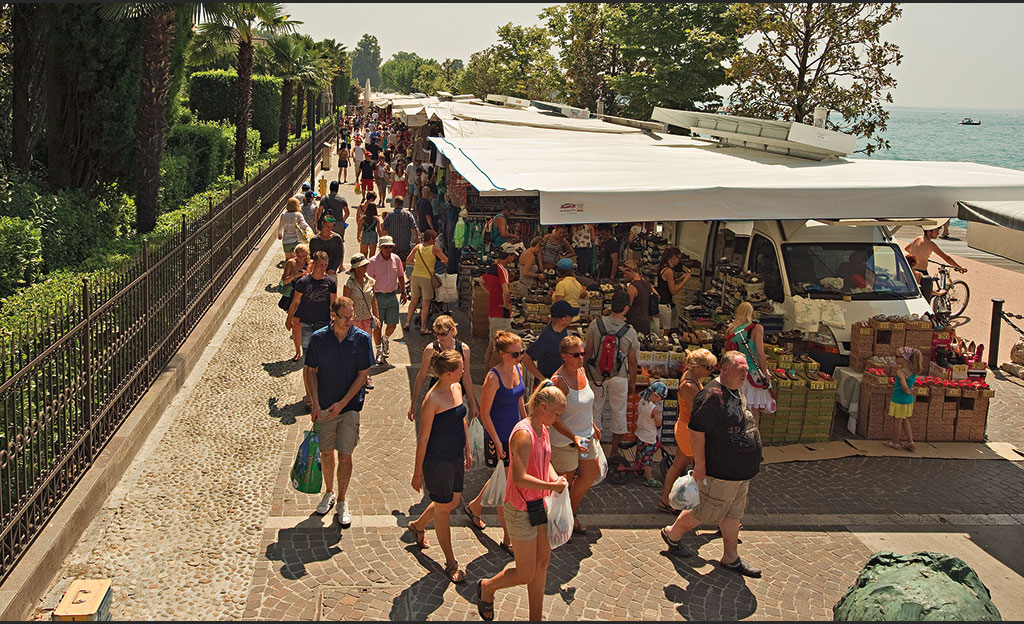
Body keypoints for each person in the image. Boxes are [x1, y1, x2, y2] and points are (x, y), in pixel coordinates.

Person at [659, 351, 763, 579]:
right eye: (740, 369)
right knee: (704, 512)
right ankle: (672, 534)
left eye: (746, 369)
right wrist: (701, 466)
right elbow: (696, 431)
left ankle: (730, 557)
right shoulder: (711, 396)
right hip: (721, 470)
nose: (745, 373)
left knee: (733, 515)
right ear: (724, 369)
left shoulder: (735, 391)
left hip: (740, 471)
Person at [476, 382, 569, 622]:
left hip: (539, 504)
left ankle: (535, 618)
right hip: (520, 509)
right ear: (543, 408)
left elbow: (545, 461)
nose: (558, 418)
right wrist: (552, 486)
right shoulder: (524, 434)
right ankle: (487, 587)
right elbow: (519, 477)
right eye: (557, 413)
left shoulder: (543, 428)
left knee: (543, 562)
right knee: (526, 572)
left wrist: (554, 477)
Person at [304, 297, 374, 529]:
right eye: (344, 317)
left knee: (345, 455)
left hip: (349, 408)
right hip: (324, 406)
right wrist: (314, 402)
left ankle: (342, 500)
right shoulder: (319, 339)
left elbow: (363, 375)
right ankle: (329, 492)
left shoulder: (361, 339)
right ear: (334, 315)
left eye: (351, 316)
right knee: (326, 454)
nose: (348, 321)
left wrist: (343, 403)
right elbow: (310, 371)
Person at [407, 349, 473, 583]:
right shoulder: (432, 400)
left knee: (452, 501)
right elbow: (423, 438)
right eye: (460, 368)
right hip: (437, 461)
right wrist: (417, 474)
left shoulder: (456, 388)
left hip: (455, 456)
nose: (464, 371)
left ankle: (418, 525)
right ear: (448, 373)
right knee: (444, 509)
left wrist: (466, 447)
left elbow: (461, 419)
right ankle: (451, 561)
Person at [462, 331, 527, 553]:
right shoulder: (493, 377)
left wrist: (527, 425)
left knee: (503, 478)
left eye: (522, 353)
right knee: (507, 485)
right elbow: (485, 413)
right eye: (516, 354)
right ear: (502, 354)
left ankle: (474, 506)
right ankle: (508, 537)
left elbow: (520, 400)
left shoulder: (519, 368)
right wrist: (498, 443)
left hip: (516, 433)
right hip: (498, 435)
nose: (520, 357)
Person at [548, 335, 600, 534]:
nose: (581, 358)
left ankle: (571, 512)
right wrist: (573, 437)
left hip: (586, 437)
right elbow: (555, 418)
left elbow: (585, 403)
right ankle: (560, 522)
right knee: (564, 483)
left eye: (583, 353)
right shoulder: (558, 381)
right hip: (565, 442)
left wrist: (593, 424)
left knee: (590, 473)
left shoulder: (582, 371)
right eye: (576, 354)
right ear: (564, 356)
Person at [659, 348, 717, 514]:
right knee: (688, 466)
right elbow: (697, 412)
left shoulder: (691, 377)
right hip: (689, 430)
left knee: (679, 465)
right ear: (698, 366)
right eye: (708, 367)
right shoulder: (689, 385)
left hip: (687, 427)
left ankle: (667, 500)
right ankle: (672, 501)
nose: (711, 371)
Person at [583, 290, 639, 457]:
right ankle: (614, 453)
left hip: (596, 375)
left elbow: (588, 351)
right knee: (619, 413)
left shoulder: (596, 324)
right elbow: (633, 361)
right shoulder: (630, 331)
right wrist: (633, 382)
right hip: (619, 377)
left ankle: (595, 451)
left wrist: (584, 371)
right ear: (626, 308)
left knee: (595, 412)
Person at [408, 315, 479, 421]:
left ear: (452, 330)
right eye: (437, 334)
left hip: (458, 395)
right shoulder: (430, 349)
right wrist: (413, 403)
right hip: (437, 394)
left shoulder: (464, 349)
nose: (440, 337)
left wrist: (473, 403)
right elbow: (422, 376)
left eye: (443, 334)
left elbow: (467, 378)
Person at [286, 250, 337, 378]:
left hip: (323, 324)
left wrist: (336, 319)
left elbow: (333, 303)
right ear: (314, 264)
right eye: (321, 265)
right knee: (308, 361)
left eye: (325, 265)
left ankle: (320, 387)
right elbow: (295, 302)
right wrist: (289, 319)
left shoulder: (330, 282)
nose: (323, 268)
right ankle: (309, 393)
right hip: (307, 323)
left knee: (322, 358)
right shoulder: (303, 282)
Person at [724, 302, 775, 425]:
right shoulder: (756, 329)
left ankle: (736, 435)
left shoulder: (730, 331)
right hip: (753, 373)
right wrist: (765, 373)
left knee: (737, 406)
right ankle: (752, 437)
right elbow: (761, 354)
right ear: (751, 313)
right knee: (753, 409)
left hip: (735, 373)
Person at [366, 236, 407, 365]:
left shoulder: (396, 259)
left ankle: (385, 339)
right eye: (385, 247)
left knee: (393, 324)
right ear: (380, 248)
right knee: (377, 326)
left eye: (390, 247)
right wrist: (370, 298)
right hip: (378, 296)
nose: (388, 249)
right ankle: (378, 351)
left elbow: (400, 275)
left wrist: (404, 292)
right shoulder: (372, 262)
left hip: (392, 295)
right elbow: (368, 280)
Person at [343, 253, 379, 389]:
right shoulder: (350, 283)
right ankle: (354, 375)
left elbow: (374, 300)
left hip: (367, 321)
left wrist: (377, 317)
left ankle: (366, 376)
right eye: (361, 266)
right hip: (354, 321)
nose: (364, 268)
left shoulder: (370, 281)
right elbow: (345, 303)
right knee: (353, 349)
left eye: (365, 265)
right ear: (355, 268)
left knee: (366, 349)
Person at [479, 244, 516, 371]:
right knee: (499, 347)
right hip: (501, 313)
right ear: (509, 256)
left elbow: (481, 281)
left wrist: (491, 293)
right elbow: (506, 290)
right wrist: (506, 305)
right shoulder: (503, 270)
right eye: (513, 256)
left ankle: (487, 372)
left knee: (491, 345)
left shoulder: (492, 268)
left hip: (493, 311)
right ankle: (492, 375)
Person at [405, 230, 449, 335]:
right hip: (426, 278)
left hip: (415, 277)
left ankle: (407, 323)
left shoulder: (417, 247)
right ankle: (423, 328)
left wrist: (417, 263)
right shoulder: (434, 249)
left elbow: (408, 260)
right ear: (431, 239)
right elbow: (446, 260)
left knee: (414, 301)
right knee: (425, 303)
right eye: (435, 239)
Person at [903, 224, 967, 297]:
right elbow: (946, 258)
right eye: (936, 230)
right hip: (922, 273)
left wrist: (919, 256)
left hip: (911, 270)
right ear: (929, 232)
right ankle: (939, 294)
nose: (938, 233)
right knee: (928, 294)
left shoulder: (917, 239)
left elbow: (907, 249)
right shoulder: (931, 244)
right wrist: (959, 267)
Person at [523, 300, 577, 384]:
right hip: (549, 384)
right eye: (570, 316)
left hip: (559, 380)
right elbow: (526, 357)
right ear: (563, 319)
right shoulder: (547, 337)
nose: (572, 318)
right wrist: (543, 380)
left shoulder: (562, 330)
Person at [885, 346, 927, 452]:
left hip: (899, 399)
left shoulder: (901, 372)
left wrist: (906, 390)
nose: (895, 358)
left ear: (905, 359)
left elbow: (904, 386)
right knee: (904, 420)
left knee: (897, 421)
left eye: (897, 356)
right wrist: (910, 392)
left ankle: (895, 442)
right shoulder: (913, 371)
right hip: (908, 400)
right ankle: (910, 441)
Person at [280, 243, 311, 361]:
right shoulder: (290, 263)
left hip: (307, 296)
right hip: (294, 296)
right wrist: (294, 276)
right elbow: (284, 281)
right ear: (295, 254)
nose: (302, 258)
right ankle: (298, 351)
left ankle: (308, 348)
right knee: (296, 324)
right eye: (300, 256)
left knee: (308, 324)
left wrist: (307, 275)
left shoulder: (310, 263)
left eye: (304, 256)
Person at [636, 381, 668, 488]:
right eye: (661, 398)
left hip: (640, 432)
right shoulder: (653, 409)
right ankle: (649, 478)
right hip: (649, 437)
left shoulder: (642, 401)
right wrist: (658, 416)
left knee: (640, 453)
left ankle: (638, 469)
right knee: (647, 459)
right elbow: (658, 423)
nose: (661, 401)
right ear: (656, 395)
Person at [657, 247, 690, 334]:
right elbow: (673, 291)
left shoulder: (663, 268)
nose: (678, 260)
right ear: (673, 257)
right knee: (665, 331)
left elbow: (667, 284)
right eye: (678, 258)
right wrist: (685, 281)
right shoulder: (668, 271)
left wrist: (679, 279)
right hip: (664, 305)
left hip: (661, 303)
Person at [622, 260, 654, 336]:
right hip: (646, 320)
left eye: (625, 273)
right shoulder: (646, 281)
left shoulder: (632, 287)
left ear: (632, 271)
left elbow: (627, 306)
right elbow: (657, 296)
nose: (624, 276)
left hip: (635, 321)